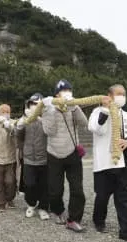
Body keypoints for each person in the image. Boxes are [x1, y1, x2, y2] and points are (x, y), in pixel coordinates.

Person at [88, 84, 127, 242]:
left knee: (124, 197)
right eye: (118, 94)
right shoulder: (97, 112)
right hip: (105, 162)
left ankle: (126, 230)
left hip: (124, 161)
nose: (122, 97)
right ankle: (98, 221)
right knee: (102, 196)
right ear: (109, 95)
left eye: (124, 94)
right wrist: (105, 110)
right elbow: (95, 128)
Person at [41, 79, 88, 232]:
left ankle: (74, 219)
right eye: (63, 91)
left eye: (69, 90)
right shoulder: (48, 108)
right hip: (54, 153)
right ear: (56, 94)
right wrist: (51, 110)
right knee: (55, 189)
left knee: (77, 189)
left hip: (72, 151)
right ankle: (58, 210)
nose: (66, 93)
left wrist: (74, 107)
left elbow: (84, 123)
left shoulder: (74, 106)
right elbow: (49, 131)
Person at [16, 93, 50, 220]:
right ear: (28, 105)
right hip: (29, 158)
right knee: (29, 184)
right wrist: (21, 124)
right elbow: (18, 136)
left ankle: (43, 207)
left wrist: (42, 120)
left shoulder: (47, 118)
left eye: (37, 104)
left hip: (44, 158)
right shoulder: (25, 119)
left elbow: (50, 132)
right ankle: (31, 204)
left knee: (44, 185)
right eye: (33, 104)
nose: (35, 106)